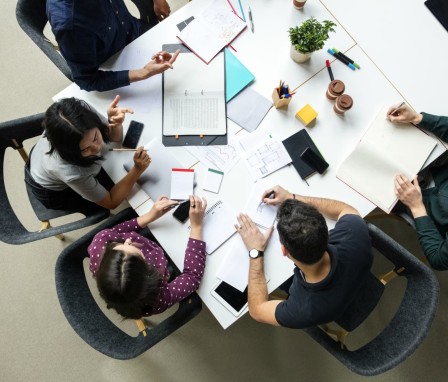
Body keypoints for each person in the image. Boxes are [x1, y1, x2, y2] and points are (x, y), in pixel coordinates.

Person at [235, 185, 373, 329]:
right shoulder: (355, 233)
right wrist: (292, 198)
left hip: (328, 307)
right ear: (326, 231)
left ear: (284, 251)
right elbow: (345, 209)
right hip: (355, 273)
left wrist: (255, 251)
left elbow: (257, 310)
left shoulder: (303, 309)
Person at [88, 195, 207, 319]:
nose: (127, 240)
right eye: (136, 252)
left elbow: (117, 232)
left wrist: (150, 216)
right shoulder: (156, 300)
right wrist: (197, 226)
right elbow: (192, 277)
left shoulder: (101, 242)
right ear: (150, 271)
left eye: (120, 244)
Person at [25, 96, 150, 213]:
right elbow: (111, 202)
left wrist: (115, 123)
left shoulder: (78, 117)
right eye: (85, 149)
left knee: (115, 173)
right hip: (52, 191)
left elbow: (114, 138)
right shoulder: (72, 172)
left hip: (40, 159)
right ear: (71, 151)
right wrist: (137, 170)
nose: (97, 148)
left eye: (95, 137)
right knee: (111, 190)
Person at [46, 0, 179, 91]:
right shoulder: (69, 26)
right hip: (115, 63)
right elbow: (87, 80)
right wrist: (143, 73)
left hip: (135, 30)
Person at [388, 104, 448, 270]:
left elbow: (438, 258)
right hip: (434, 165)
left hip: (420, 203)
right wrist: (417, 118)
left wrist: (416, 207)